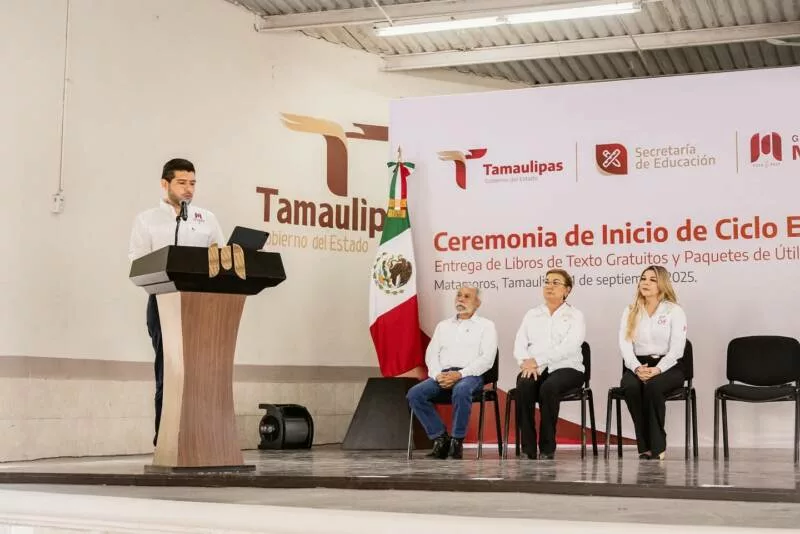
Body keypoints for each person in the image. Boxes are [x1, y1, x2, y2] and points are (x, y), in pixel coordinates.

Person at [128, 158, 225, 446]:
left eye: (192, 183)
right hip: (163, 303)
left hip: (202, 305)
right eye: (181, 183)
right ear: (165, 184)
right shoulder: (146, 220)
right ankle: (167, 439)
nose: (188, 189)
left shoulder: (207, 218)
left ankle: (202, 437)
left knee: (203, 373)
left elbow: (220, 256)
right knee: (168, 372)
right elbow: (137, 264)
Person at [406, 286, 498, 459]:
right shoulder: (443, 326)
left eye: (467, 296)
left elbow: (487, 359)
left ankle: (457, 441)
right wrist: (437, 375)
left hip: (470, 375)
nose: (461, 299)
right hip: (443, 374)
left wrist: (460, 374)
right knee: (415, 394)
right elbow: (432, 354)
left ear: (477, 303)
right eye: (459, 295)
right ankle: (441, 439)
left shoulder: (486, 326)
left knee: (461, 389)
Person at [513, 269, 586, 460]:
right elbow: (520, 343)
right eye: (547, 282)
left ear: (567, 290)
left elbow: (570, 347)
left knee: (549, 387)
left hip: (568, 368)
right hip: (536, 368)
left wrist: (537, 360)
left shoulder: (575, 315)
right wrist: (525, 363)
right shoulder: (532, 314)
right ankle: (527, 448)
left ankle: (547, 447)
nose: (549, 286)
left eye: (555, 283)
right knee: (524, 384)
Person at [618, 265, 687, 460]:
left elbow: (677, 349)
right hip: (638, 365)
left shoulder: (674, 310)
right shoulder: (630, 310)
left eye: (652, 279)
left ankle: (657, 445)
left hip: (668, 366)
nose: (646, 283)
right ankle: (644, 445)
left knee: (653, 387)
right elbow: (625, 345)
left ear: (662, 284)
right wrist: (636, 367)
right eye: (643, 278)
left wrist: (658, 369)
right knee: (630, 387)